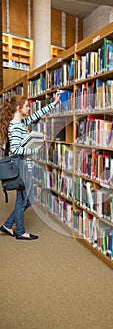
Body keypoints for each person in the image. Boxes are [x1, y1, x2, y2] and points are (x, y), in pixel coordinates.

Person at [0, 93, 60, 240]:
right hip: (21, 166)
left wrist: (54, 103)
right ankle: (20, 232)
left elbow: (35, 116)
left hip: (25, 165)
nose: (29, 108)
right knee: (25, 198)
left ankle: (8, 225)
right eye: (27, 106)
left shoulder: (21, 123)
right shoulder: (15, 126)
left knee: (28, 198)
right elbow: (15, 149)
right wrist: (34, 150)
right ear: (19, 108)